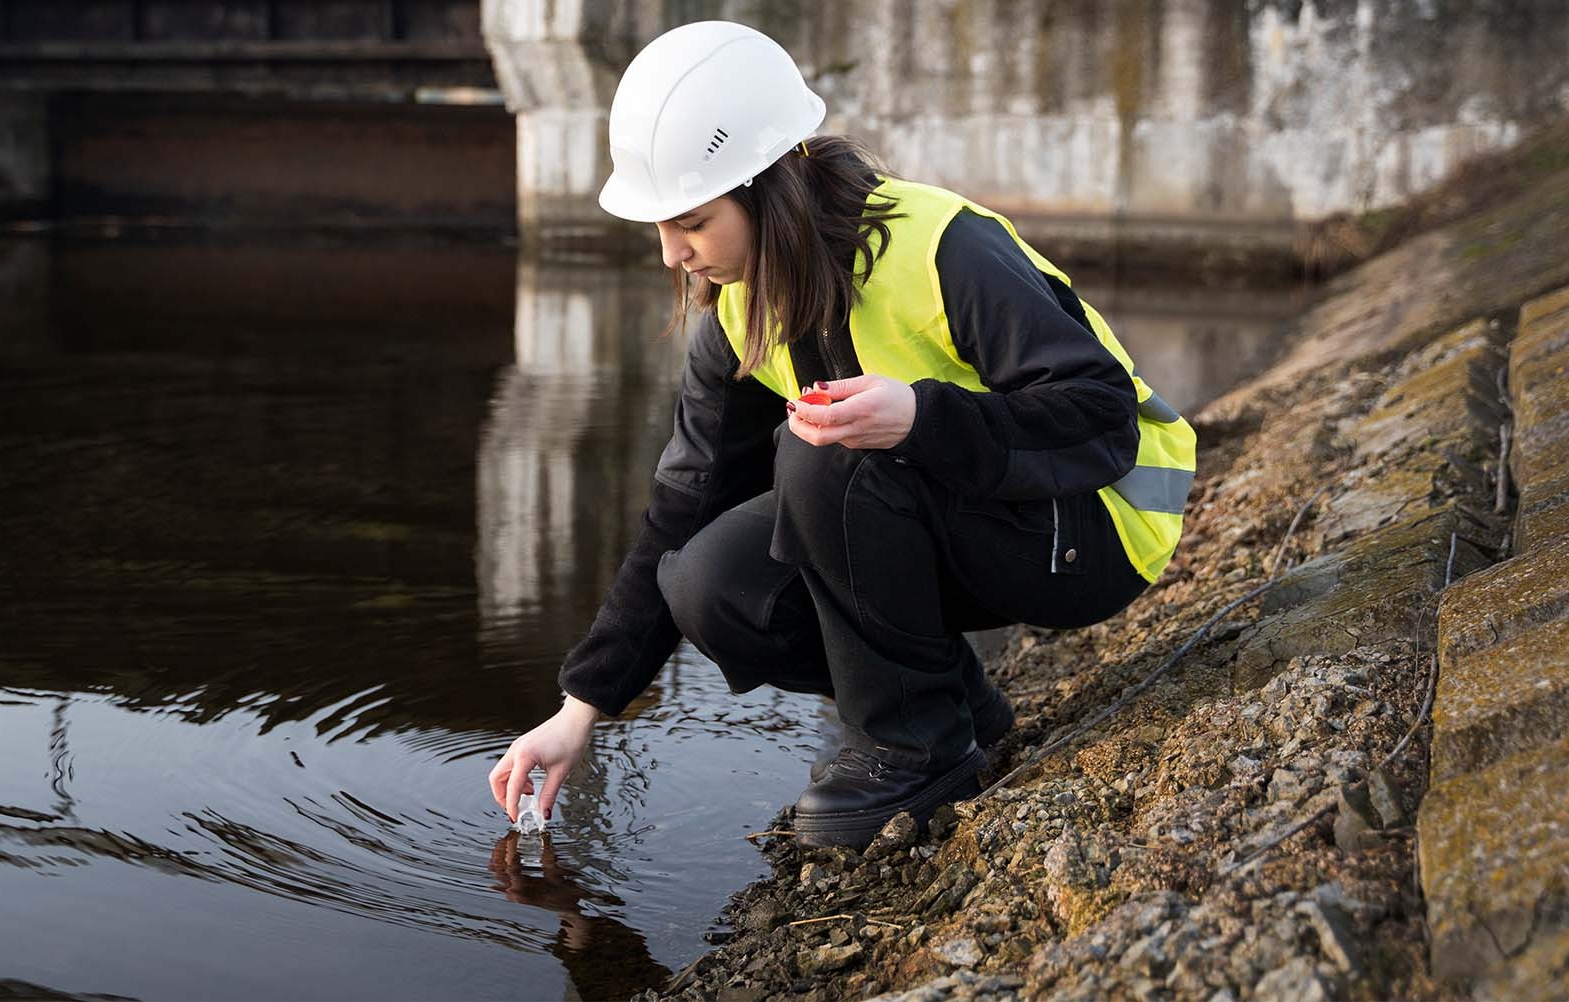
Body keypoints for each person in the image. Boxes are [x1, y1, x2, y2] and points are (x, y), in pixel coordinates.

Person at [488, 20, 1194, 849]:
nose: (672, 255)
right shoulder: (740, 312)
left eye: (692, 221)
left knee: (822, 456)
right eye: (660, 226)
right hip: (983, 516)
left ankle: (911, 751)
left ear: (770, 184)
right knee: (707, 583)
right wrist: (582, 709)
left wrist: (924, 418)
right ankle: (954, 709)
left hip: (1096, 527)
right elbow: (679, 511)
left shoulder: (940, 247)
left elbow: (1099, 415)